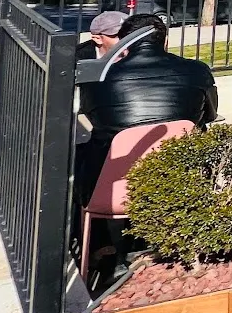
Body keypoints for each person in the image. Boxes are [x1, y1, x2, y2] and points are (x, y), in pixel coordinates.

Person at [76, 14, 218, 204]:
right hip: (183, 177)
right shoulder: (198, 70)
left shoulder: (97, 77)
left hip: (112, 187)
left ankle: (77, 217)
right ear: (165, 41)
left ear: (122, 43)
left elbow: (92, 115)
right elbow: (210, 114)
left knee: (81, 152)